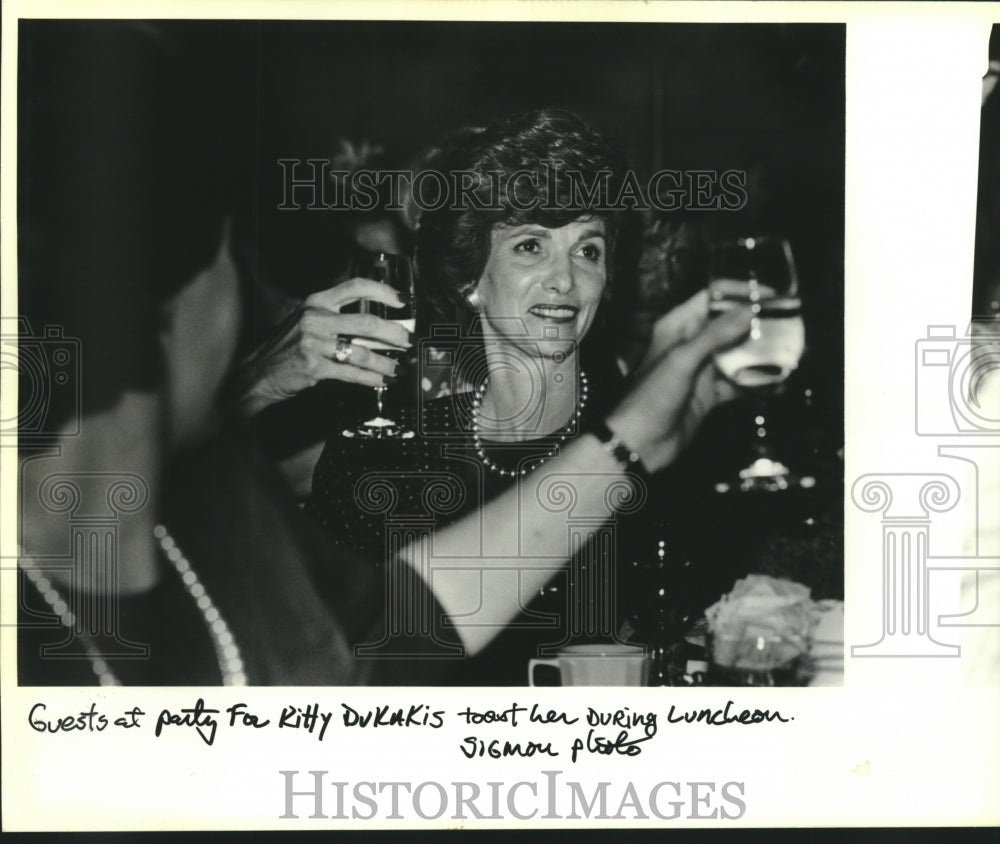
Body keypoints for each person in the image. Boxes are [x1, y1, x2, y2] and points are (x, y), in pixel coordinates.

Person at [306, 109, 752, 685]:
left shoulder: (670, 436)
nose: (565, 279)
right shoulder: (383, 458)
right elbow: (329, 666)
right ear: (472, 279)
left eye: (588, 250)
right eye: (530, 246)